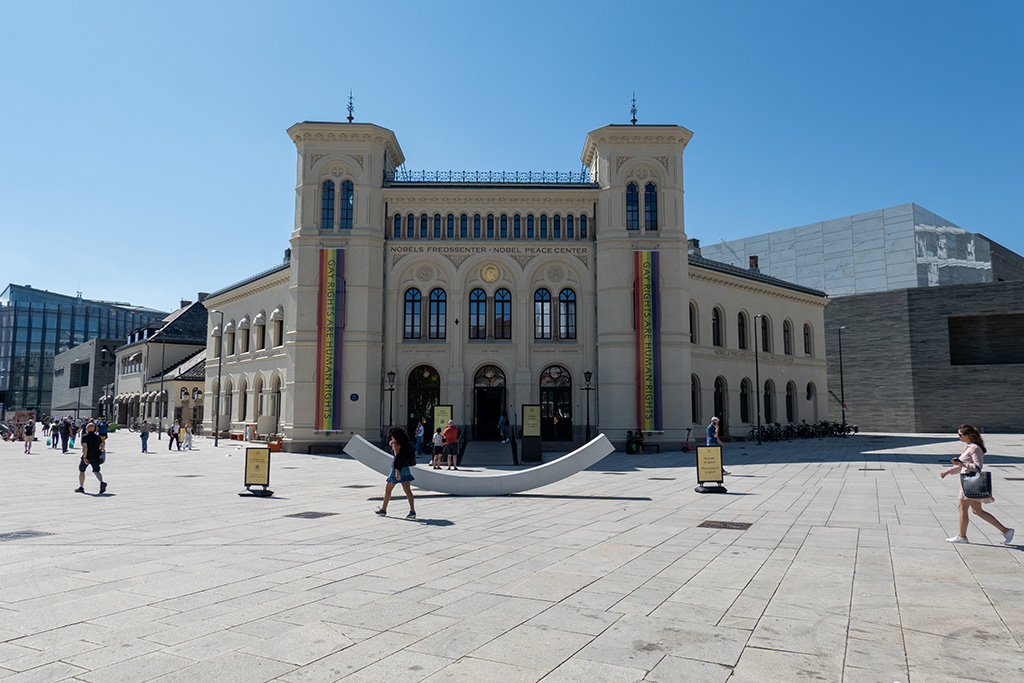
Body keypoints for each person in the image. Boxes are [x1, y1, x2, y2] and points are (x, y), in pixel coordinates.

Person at [940, 424, 1013, 545]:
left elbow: (977, 467)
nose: (959, 437)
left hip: (970, 483)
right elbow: (961, 466)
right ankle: (1006, 531)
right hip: (967, 482)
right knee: (977, 511)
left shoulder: (975, 448)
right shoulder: (968, 447)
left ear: (968, 435)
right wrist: (947, 471)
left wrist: (961, 464)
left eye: (960, 435)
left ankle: (962, 536)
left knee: (963, 508)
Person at [375, 426, 416, 518]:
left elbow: (397, 458)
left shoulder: (396, 444)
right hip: (405, 467)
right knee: (408, 491)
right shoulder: (405, 443)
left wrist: (397, 472)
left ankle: (383, 509)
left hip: (396, 468)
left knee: (388, 490)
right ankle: (412, 511)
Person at [76, 422, 107, 494]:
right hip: (95, 456)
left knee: (82, 471)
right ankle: (102, 482)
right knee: (96, 471)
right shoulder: (98, 437)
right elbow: (102, 446)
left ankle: (81, 487)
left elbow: (85, 447)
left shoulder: (85, 437)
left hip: (87, 456)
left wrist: (84, 457)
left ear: (87, 428)